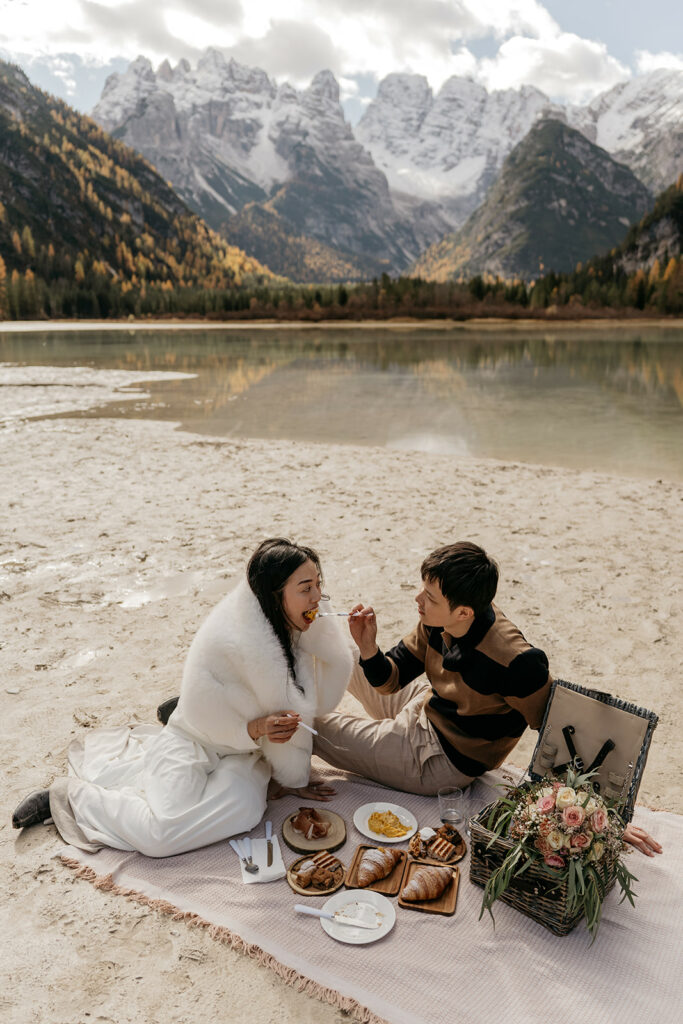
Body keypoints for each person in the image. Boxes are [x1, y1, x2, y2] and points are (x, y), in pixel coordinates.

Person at [312, 540, 662, 857]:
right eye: (424, 589)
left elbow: (561, 731)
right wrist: (369, 648)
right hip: (426, 705)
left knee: (312, 727)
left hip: (439, 760)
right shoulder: (439, 620)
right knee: (337, 651)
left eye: (430, 597)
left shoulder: (516, 661)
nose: (418, 600)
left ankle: (270, 751)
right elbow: (389, 680)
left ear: (464, 612)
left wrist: (598, 810)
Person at [12, 538, 353, 856]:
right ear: (273, 594)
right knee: (160, 833)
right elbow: (213, 714)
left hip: (247, 753)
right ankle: (72, 795)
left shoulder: (304, 633)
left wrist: (291, 776)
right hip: (196, 735)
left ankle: (169, 773)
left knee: (247, 811)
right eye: (306, 589)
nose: (317, 598)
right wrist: (256, 727)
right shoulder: (231, 641)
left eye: (318, 585)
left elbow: (305, 706)